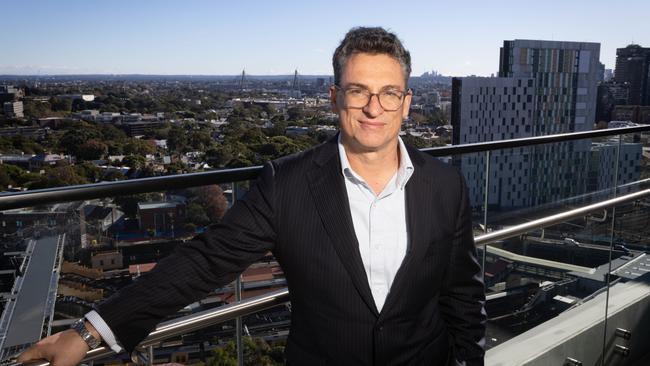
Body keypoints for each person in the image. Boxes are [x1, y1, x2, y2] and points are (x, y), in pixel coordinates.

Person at [19, 26, 485, 366]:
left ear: (406, 102)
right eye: (358, 90)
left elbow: (461, 292)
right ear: (333, 97)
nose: (373, 107)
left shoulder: (445, 185)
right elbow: (205, 261)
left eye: (389, 93)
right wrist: (88, 331)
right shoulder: (288, 183)